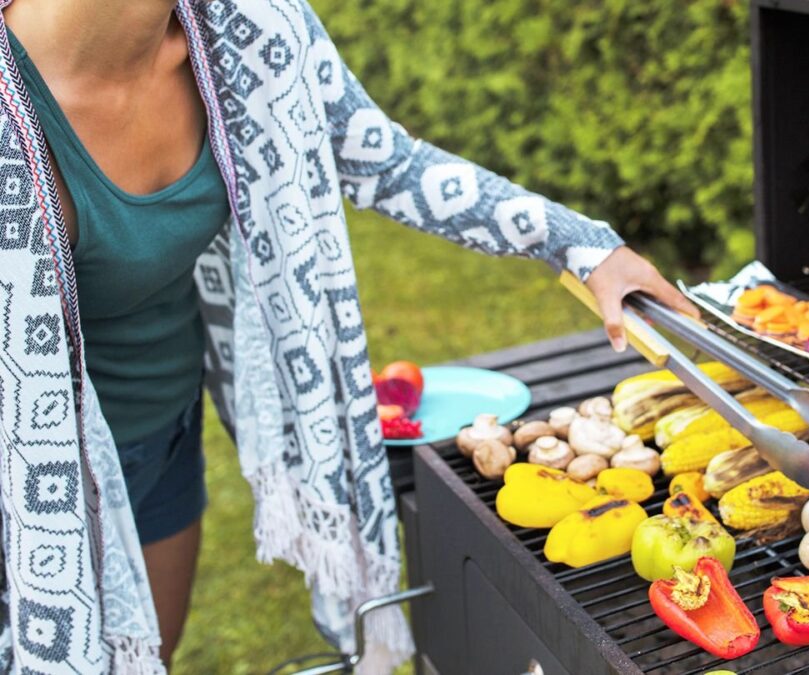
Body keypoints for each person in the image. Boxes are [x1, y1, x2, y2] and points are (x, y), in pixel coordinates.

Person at [0, 0, 696, 671]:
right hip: (25, 473)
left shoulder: (248, 25)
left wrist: (579, 244)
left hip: (164, 433)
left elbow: (387, 161)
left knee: (149, 657)